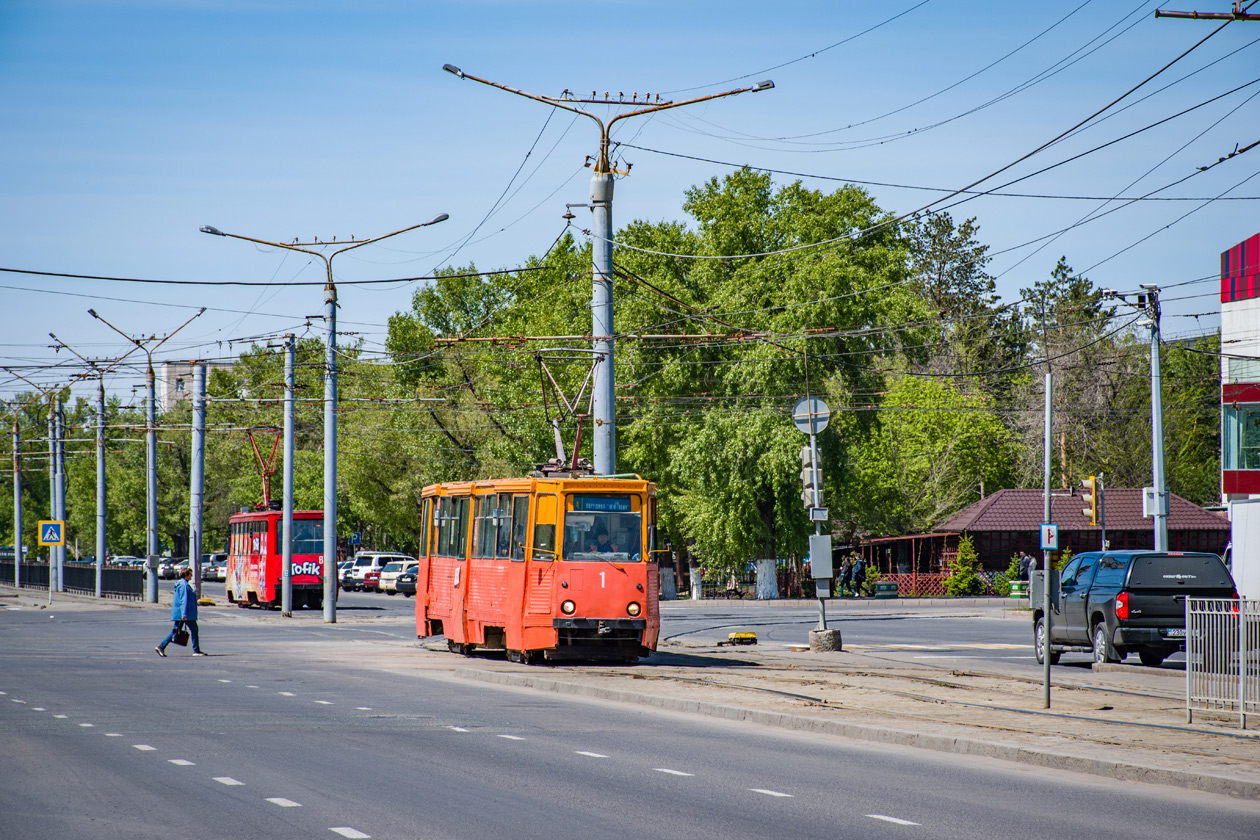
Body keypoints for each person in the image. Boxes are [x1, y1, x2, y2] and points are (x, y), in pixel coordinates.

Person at [156, 567, 205, 657]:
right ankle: (196, 650)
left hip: (183, 613)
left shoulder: (183, 584)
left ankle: (161, 646)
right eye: (190, 574)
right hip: (185, 614)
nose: (191, 576)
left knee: (175, 630)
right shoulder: (184, 585)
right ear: (186, 575)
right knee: (194, 629)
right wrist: (184, 614)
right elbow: (184, 600)